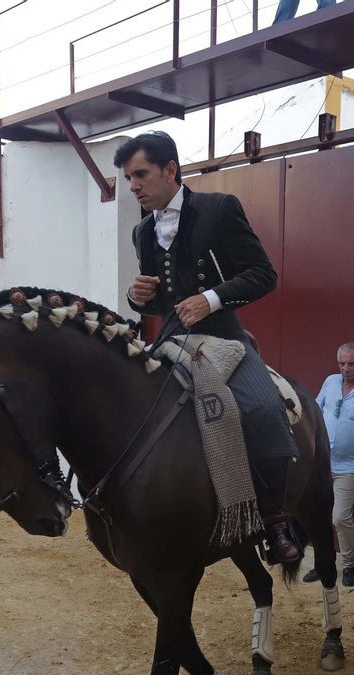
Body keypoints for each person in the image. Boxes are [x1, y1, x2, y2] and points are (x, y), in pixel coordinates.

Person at [115, 131, 302, 562]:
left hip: (224, 337)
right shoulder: (142, 232)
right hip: (171, 340)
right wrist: (136, 296)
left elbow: (263, 274)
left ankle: (275, 520)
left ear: (170, 170)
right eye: (128, 179)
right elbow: (160, 301)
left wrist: (211, 298)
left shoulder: (219, 208)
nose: (133, 186)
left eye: (140, 174)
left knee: (265, 410)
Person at [303, 342, 354, 588]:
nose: (346, 369)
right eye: (342, 363)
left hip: (349, 465)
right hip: (321, 463)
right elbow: (315, 409)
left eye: (351, 364)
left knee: (340, 517)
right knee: (319, 515)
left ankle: (348, 564)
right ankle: (322, 564)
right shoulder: (330, 382)